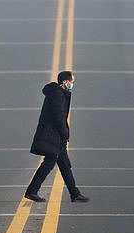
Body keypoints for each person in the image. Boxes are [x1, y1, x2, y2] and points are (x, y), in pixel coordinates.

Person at [24, 70, 89, 203]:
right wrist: (65, 133)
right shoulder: (57, 95)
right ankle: (32, 191)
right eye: (71, 82)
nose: (72, 84)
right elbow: (58, 116)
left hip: (55, 136)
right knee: (49, 163)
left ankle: (75, 193)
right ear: (65, 82)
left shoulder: (58, 93)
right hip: (53, 135)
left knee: (65, 164)